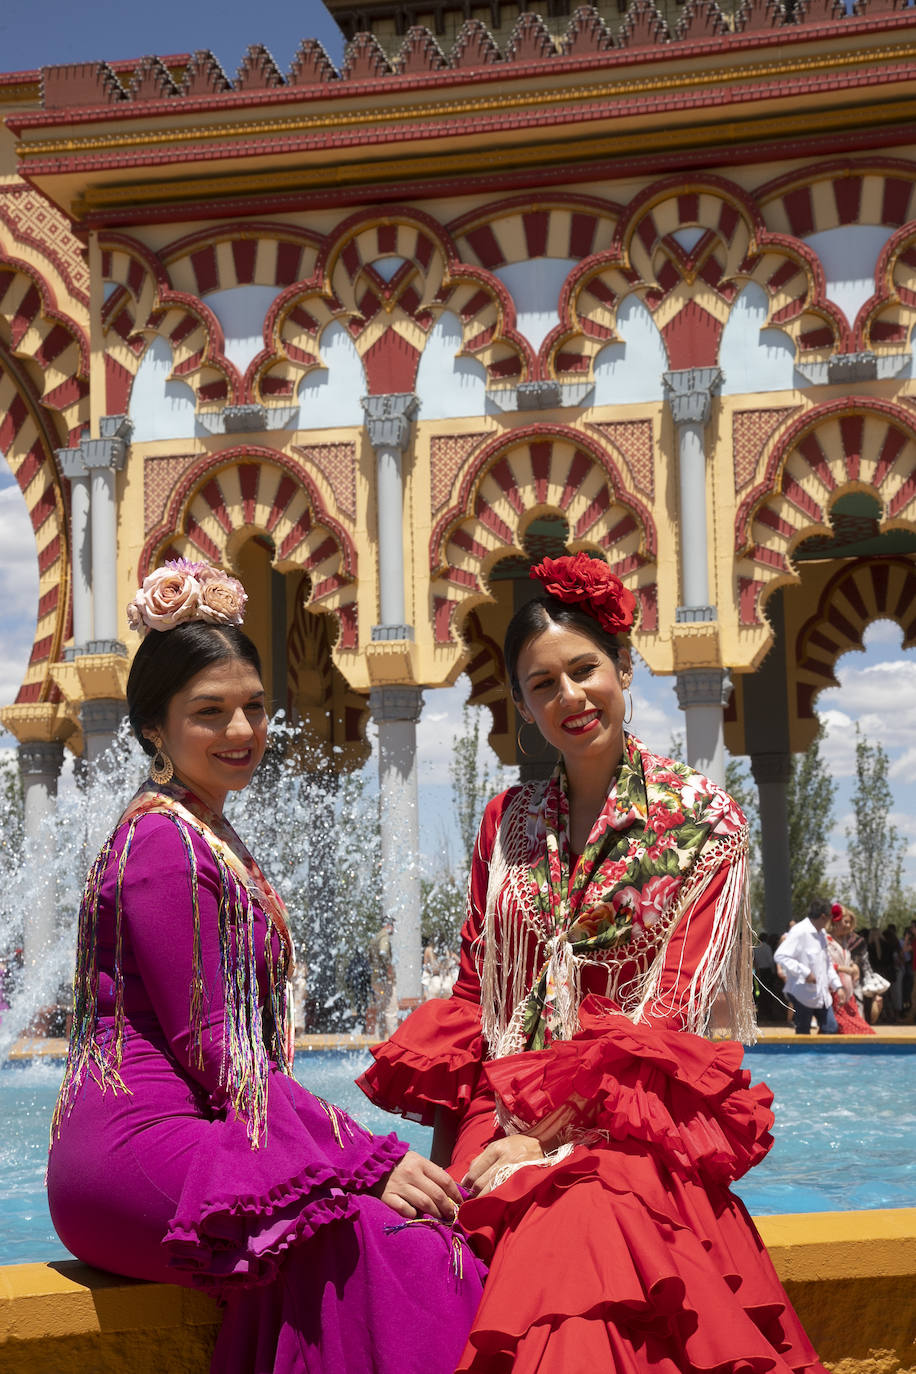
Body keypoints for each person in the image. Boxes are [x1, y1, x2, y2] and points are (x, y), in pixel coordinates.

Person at [359, 551, 829, 1372]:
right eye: (543, 684)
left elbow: (670, 1018)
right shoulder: (508, 823)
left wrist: (543, 1143)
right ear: (522, 705)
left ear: (623, 668)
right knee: (391, 1242)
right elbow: (475, 996)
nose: (570, 696)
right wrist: (453, 1159)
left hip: (629, 1123)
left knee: (575, 1233)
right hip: (499, 1110)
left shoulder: (702, 822)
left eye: (584, 670)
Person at [47, 560, 484, 1374]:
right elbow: (217, 1049)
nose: (241, 729)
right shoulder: (164, 845)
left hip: (186, 1137)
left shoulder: (198, 829)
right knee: (380, 1238)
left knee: (392, 1233)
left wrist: (352, 1160)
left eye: (253, 706)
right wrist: (371, 1158)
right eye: (209, 712)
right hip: (135, 1151)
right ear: (154, 729)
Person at [778, 898, 846, 1034]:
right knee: (803, 1033)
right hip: (802, 993)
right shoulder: (799, 931)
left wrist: (838, 986)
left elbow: (827, 964)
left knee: (831, 1028)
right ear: (823, 917)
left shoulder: (822, 934)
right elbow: (781, 955)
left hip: (822, 993)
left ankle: (820, 1049)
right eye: (830, 918)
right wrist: (805, 973)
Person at [825, 903, 873, 1035]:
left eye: (850, 923)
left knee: (853, 1026)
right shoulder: (826, 940)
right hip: (834, 991)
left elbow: (844, 959)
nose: (848, 925)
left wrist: (853, 966)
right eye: (845, 922)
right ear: (835, 921)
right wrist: (848, 970)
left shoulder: (844, 942)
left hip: (848, 992)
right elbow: (825, 964)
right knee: (845, 1027)